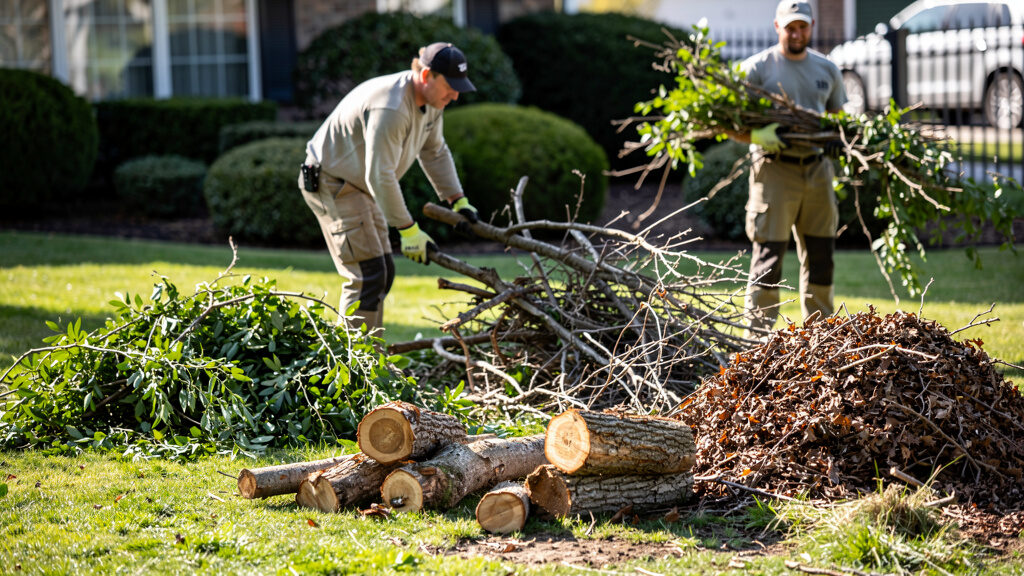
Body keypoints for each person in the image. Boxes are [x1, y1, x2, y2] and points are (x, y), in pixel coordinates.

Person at [299, 42, 479, 332]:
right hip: (333, 183)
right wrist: (408, 230)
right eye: (450, 86)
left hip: (360, 184)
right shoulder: (391, 106)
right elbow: (380, 175)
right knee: (368, 274)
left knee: (383, 272)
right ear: (426, 76)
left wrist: (458, 200)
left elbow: (434, 151)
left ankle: (370, 361)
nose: (456, 95)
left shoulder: (433, 103)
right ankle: (355, 366)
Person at [731, 0, 847, 334]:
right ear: (777, 27)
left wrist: (838, 138)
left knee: (821, 256)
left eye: (803, 26)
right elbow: (724, 121)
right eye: (790, 27)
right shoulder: (756, 69)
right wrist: (754, 134)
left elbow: (840, 120)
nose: (797, 33)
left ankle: (821, 340)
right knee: (769, 257)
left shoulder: (828, 70)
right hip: (774, 171)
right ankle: (757, 344)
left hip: (817, 171)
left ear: (811, 27)